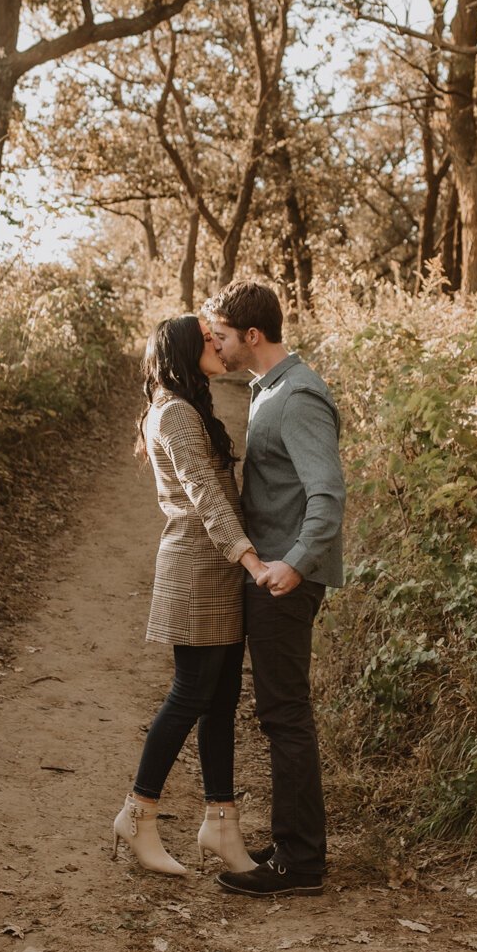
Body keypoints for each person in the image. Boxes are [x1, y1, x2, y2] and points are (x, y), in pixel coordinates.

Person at [200, 281, 345, 897]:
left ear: (251, 336)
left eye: (224, 337)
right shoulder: (270, 392)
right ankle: (294, 844)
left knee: (286, 715)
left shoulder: (299, 397)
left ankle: (301, 862)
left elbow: (328, 494)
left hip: (287, 579)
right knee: (279, 712)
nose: (219, 347)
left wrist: (296, 562)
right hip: (271, 574)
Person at [113, 315, 269, 877]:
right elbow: (203, 492)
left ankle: (221, 826)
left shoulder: (186, 406)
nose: (216, 344)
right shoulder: (174, 413)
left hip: (216, 570)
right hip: (197, 569)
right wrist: (249, 557)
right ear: (181, 349)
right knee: (191, 693)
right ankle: (137, 813)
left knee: (222, 698)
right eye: (205, 339)